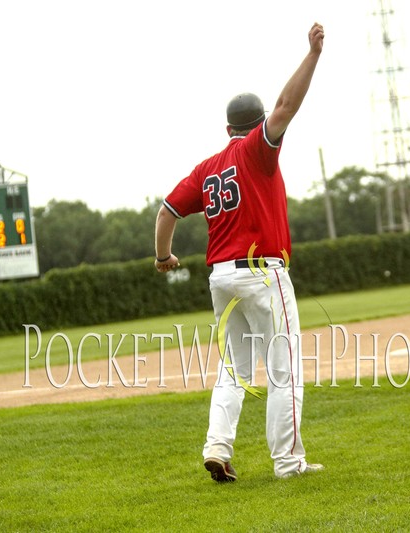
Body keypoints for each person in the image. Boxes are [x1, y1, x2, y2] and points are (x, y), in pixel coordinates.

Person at [154, 23, 325, 482]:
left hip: (221, 277)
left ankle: (217, 446)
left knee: (234, 370)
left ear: (227, 128)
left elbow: (167, 211)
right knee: (284, 371)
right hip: (261, 274)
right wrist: (312, 56)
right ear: (257, 123)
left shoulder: (207, 168)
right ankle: (289, 464)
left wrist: (163, 258)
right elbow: (287, 107)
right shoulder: (257, 150)